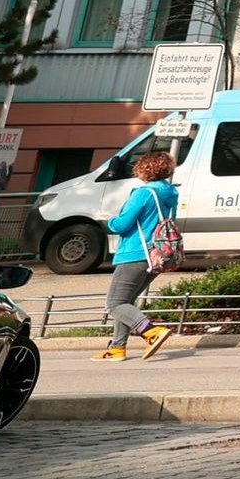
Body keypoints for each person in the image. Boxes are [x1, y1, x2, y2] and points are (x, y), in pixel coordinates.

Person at [97, 149, 179, 360]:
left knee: (114, 304)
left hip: (134, 253)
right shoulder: (170, 193)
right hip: (158, 255)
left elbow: (123, 224)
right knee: (126, 301)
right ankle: (117, 348)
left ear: (144, 170)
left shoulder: (143, 193)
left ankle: (151, 331)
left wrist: (109, 220)